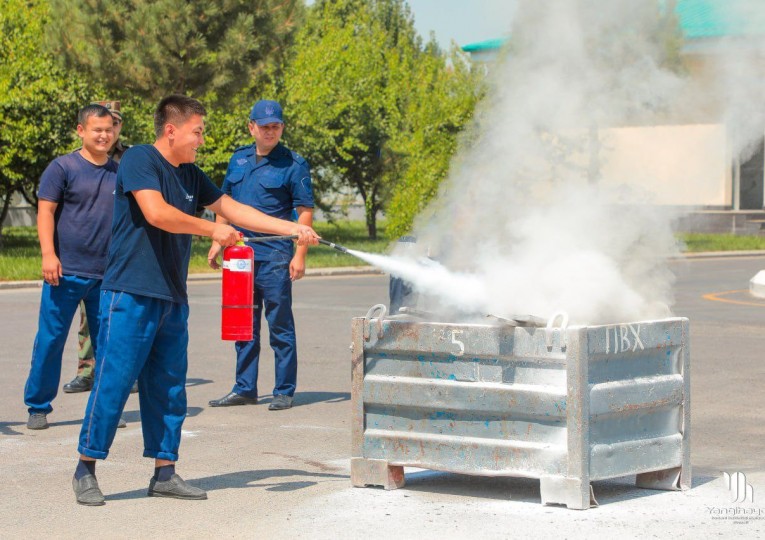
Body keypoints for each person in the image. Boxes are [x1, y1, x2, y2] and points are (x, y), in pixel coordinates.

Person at [72, 94, 319, 506]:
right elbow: (157, 213)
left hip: (171, 295)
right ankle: (86, 467)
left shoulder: (191, 173)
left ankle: (164, 471)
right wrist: (212, 232)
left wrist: (290, 229)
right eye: (198, 131)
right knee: (113, 383)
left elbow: (233, 208)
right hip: (129, 292)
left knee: (169, 388)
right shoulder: (139, 160)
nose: (201, 140)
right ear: (172, 130)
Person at [207, 100, 314, 412]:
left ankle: (284, 390)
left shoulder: (293, 164)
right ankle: (245, 387)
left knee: (279, 325)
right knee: (243, 323)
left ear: (282, 127)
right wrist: (217, 239)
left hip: (276, 255)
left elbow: (304, 211)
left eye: (276, 126)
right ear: (251, 127)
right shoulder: (238, 159)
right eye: (265, 126)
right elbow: (223, 202)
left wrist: (300, 254)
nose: (270, 131)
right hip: (240, 255)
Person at [23, 104, 117, 430]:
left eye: (109, 129)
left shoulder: (119, 172)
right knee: (50, 340)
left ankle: (103, 408)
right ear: (81, 131)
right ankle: (37, 405)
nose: (104, 135)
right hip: (64, 272)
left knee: (108, 345)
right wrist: (49, 255)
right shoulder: (62, 167)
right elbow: (45, 212)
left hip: (106, 274)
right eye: (97, 130)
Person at [64, 100, 130, 394]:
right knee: (86, 320)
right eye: (104, 124)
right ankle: (87, 371)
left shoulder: (129, 160)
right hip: (85, 258)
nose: (109, 130)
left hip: (117, 254)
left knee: (119, 319)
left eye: (114, 124)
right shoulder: (77, 161)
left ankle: (124, 373)